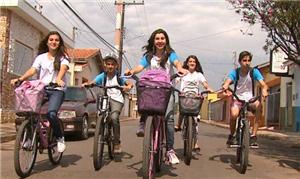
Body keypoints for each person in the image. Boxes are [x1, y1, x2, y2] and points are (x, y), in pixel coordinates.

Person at [125, 28, 188, 164]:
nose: (160, 41)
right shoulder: (148, 56)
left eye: (162, 38)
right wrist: (131, 71)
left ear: (166, 41)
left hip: (166, 89)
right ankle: (143, 124)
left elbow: (177, 63)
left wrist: (180, 68)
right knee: (145, 106)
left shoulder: (170, 54)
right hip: (151, 88)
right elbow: (139, 67)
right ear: (153, 41)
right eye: (157, 38)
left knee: (169, 118)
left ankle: (170, 150)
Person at [11, 31, 69, 153]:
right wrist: (20, 79)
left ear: (59, 43)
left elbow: (63, 69)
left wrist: (58, 79)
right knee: (30, 113)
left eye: (56, 40)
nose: (54, 42)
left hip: (57, 90)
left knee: (51, 114)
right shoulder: (41, 58)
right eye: (51, 39)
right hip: (42, 89)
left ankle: (60, 137)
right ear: (47, 42)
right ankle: (28, 138)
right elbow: (33, 70)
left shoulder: (63, 58)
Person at [82, 54, 133, 154]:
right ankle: (98, 124)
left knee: (114, 118)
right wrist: (88, 84)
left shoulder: (119, 77)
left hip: (117, 100)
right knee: (100, 112)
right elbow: (94, 81)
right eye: (108, 64)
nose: (110, 66)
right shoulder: (103, 76)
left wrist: (128, 87)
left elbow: (129, 83)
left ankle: (117, 142)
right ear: (105, 65)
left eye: (112, 64)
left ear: (116, 66)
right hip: (106, 98)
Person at [222, 51, 268, 148]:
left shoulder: (254, 72)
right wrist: (226, 85)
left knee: (259, 107)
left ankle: (254, 135)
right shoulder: (235, 72)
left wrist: (264, 90)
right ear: (239, 61)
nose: (247, 63)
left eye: (249, 60)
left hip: (250, 99)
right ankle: (232, 135)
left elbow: (263, 84)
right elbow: (228, 81)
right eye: (244, 60)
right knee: (234, 115)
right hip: (238, 99)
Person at [174, 55, 213, 152]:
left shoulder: (199, 74)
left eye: (194, 62)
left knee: (195, 121)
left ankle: (195, 143)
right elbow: (175, 81)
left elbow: (204, 83)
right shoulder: (183, 72)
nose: (192, 63)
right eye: (190, 61)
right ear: (187, 63)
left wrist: (208, 88)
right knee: (182, 110)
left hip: (195, 98)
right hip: (184, 96)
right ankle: (179, 125)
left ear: (196, 64)